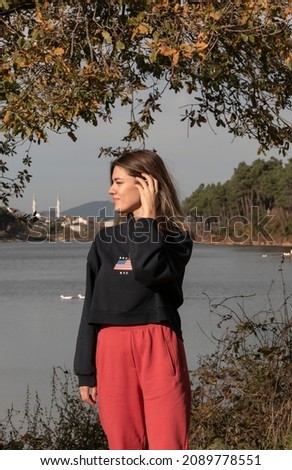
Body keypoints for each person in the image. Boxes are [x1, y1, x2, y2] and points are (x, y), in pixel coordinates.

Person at [74, 149, 193, 450]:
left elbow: (149, 271)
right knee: (123, 447)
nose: (110, 190)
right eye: (111, 182)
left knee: (168, 446)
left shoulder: (175, 237)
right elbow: (91, 306)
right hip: (110, 347)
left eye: (118, 182)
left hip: (158, 343)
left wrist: (148, 220)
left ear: (146, 184)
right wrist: (85, 370)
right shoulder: (105, 241)